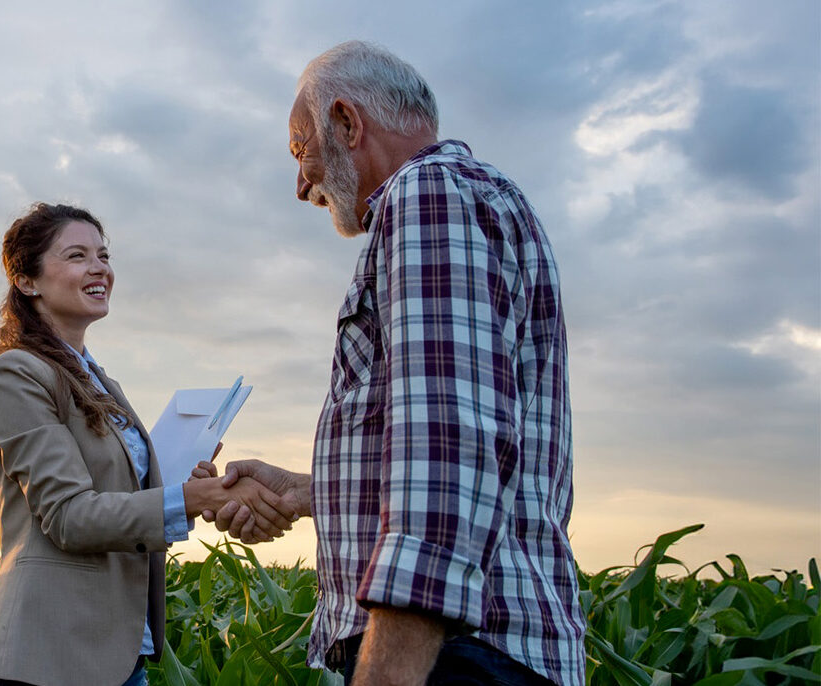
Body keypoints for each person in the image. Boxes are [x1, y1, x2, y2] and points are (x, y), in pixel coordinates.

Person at [205, 40, 584, 685]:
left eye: (302, 151)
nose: (302, 184)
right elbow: (466, 442)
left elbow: (447, 451)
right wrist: (304, 491)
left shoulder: (429, 195)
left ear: (349, 124)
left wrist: (387, 673)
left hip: (453, 657)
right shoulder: (465, 200)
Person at [0, 202, 294, 686]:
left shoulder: (101, 382)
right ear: (27, 281)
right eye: (77, 255)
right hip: (47, 656)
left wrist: (188, 480)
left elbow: (120, 493)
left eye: (104, 255)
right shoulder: (16, 374)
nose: (100, 267)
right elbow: (69, 516)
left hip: (119, 654)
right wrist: (192, 498)